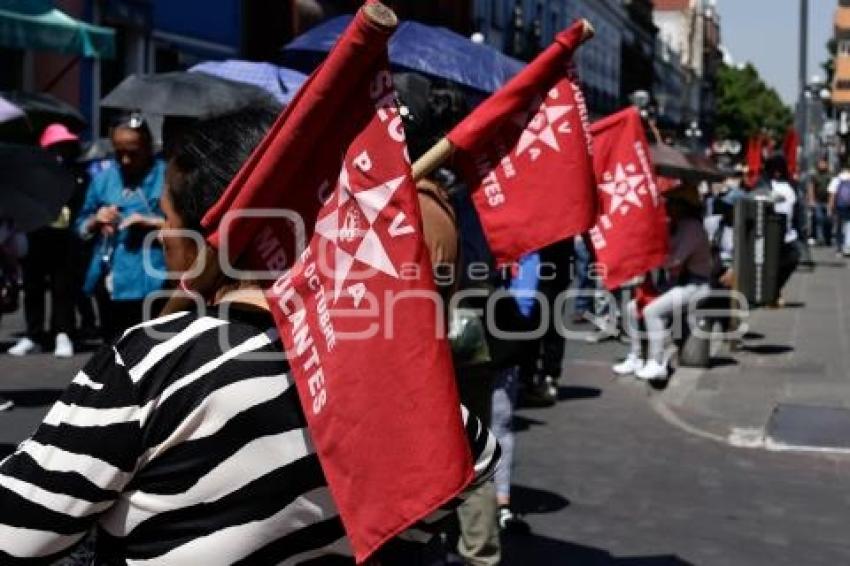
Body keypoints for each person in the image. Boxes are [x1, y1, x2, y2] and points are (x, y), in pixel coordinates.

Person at [0, 107, 499, 564]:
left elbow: (19, 532)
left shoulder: (150, 360)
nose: (163, 235)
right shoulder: (374, 367)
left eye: (167, 217)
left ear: (207, 231)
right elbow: (468, 462)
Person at [74, 114, 166, 341]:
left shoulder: (167, 177)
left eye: (133, 153)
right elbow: (80, 225)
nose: (125, 160)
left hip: (154, 279)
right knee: (114, 350)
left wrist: (152, 223)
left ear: (148, 147)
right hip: (111, 279)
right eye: (119, 152)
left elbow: (189, 226)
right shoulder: (103, 179)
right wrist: (96, 221)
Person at [613, 184, 712, 382]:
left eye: (672, 202)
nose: (667, 206)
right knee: (633, 307)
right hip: (677, 283)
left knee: (653, 311)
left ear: (684, 206)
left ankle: (657, 363)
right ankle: (636, 357)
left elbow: (674, 261)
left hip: (695, 286)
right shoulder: (675, 224)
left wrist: (651, 255)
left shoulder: (691, 227)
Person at [7, 124, 79, 358]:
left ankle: (63, 333)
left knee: (63, 288)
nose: (59, 152)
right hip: (35, 235)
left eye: (64, 147)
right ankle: (34, 335)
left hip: (64, 238)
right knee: (32, 287)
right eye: (55, 147)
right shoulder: (30, 174)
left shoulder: (76, 174)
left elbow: (81, 204)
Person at [762, 155, 801, 298]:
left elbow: (797, 208)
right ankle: (771, 291)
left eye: (780, 169)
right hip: (770, 231)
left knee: (793, 258)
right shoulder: (764, 183)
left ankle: (775, 288)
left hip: (788, 234)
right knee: (770, 263)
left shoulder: (791, 185)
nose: (777, 172)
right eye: (774, 169)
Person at [809, 159, 833, 247]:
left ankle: (828, 238)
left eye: (823, 163)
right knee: (819, 219)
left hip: (828, 201)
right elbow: (811, 187)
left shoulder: (830, 175)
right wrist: (811, 200)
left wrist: (832, 202)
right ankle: (820, 238)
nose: (822, 165)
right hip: (818, 201)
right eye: (820, 163)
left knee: (828, 220)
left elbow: (833, 189)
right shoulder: (815, 175)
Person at [828, 161, 850, 256]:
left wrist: (830, 207)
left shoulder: (836, 179)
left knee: (839, 227)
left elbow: (832, 194)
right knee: (848, 226)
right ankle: (847, 246)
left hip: (839, 206)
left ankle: (839, 248)